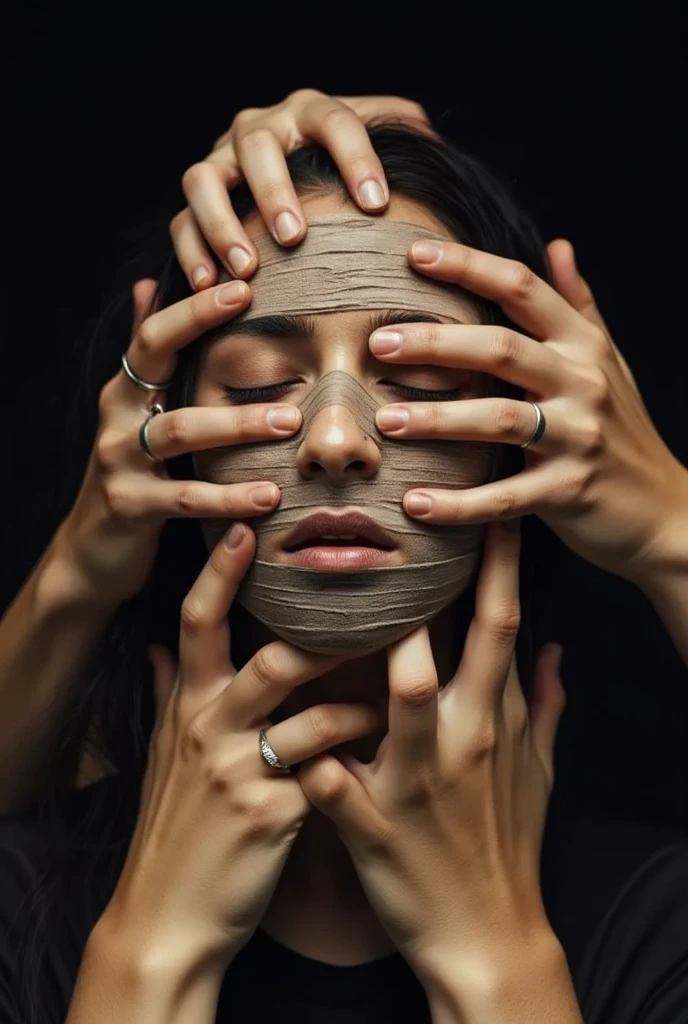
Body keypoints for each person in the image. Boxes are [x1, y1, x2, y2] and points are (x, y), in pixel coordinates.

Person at [0, 90, 686, 1024]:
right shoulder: (27, 910)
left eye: (423, 377)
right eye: (257, 380)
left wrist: (492, 960)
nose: (332, 435)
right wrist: (149, 959)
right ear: (172, 444)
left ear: (525, 437)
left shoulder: (659, 926)